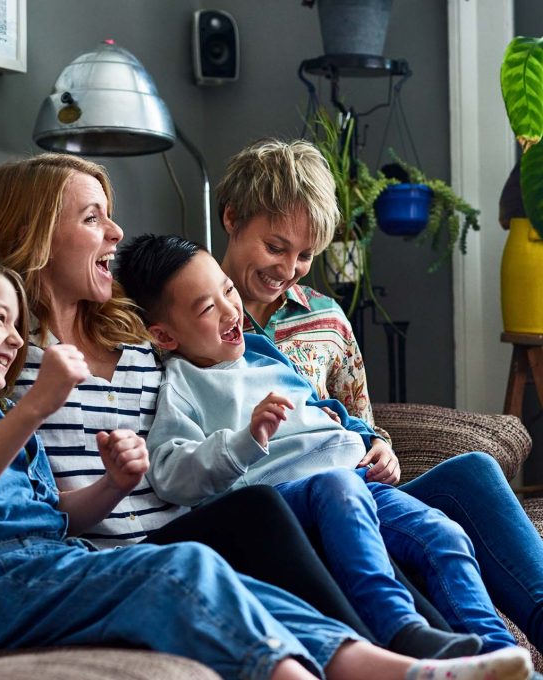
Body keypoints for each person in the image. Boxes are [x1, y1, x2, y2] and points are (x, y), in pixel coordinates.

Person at [0, 252, 533, 680]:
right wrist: (34, 409)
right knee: (188, 564)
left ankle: (400, 666)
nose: (14, 337)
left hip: (56, 560)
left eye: (17, 322)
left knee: (234, 578)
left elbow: (55, 515)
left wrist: (112, 484)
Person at [0, 152, 381, 643]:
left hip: (186, 532)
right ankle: (381, 653)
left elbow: (232, 373)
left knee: (322, 508)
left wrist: (344, 425)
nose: (116, 232)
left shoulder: (138, 336)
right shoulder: (0, 362)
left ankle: (413, 647)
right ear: (29, 237)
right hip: (103, 559)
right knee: (265, 509)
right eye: (93, 218)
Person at [115, 232, 516, 657]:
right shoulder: (182, 386)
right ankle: (398, 627)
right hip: (294, 497)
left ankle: (502, 656)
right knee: (337, 487)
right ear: (164, 336)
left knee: (443, 534)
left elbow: (322, 408)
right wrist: (245, 440)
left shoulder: (263, 353)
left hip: (357, 481)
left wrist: (366, 438)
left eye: (228, 290)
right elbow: (171, 472)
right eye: (208, 307)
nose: (230, 310)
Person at [215, 137, 543, 653]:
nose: (288, 268)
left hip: (356, 487)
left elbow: (359, 420)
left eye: (305, 255)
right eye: (275, 247)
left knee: (474, 469)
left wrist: (381, 448)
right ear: (232, 218)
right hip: (284, 501)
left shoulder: (325, 317)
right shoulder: (187, 315)